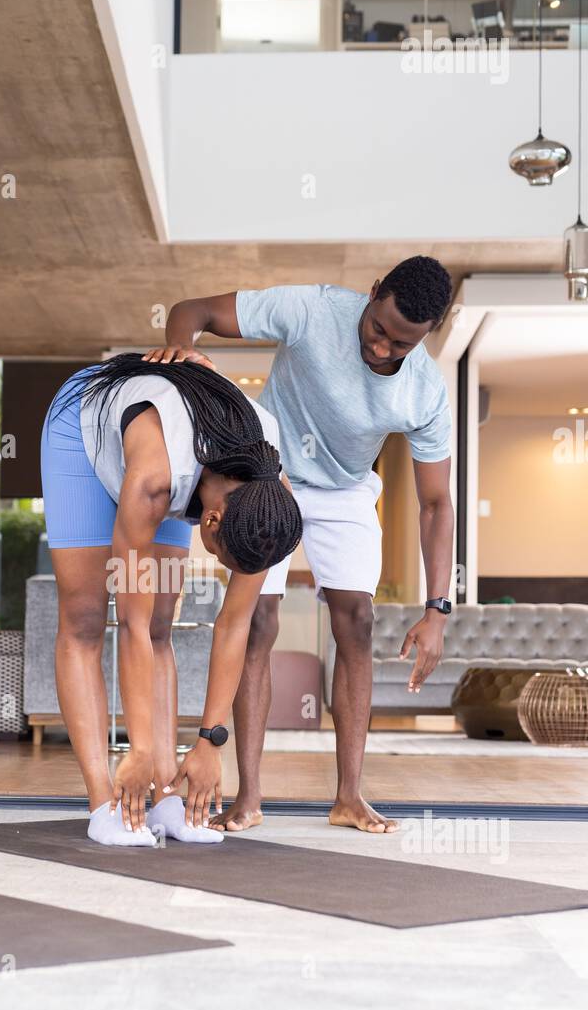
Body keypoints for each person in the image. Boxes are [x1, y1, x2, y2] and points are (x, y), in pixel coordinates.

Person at [145, 256, 456, 836]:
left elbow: (436, 503)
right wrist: (183, 351)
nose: (383, 350)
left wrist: (437, 608)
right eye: (378, 330)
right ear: (372, 294)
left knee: (357, 621)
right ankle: (249, 798)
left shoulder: (425, 392)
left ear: (426, 337)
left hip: (344, 491)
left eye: (402, 345)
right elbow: (195, 312)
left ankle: (349, 797)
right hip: (270, 474)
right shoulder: (313, 309)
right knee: (259, 621)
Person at [40, 351, 302, 847]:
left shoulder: (269, 504)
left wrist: (210, 740)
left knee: (163, 619)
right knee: (86, 616)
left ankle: (163, 800)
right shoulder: (155, 483)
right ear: (211, 521)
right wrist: (135, 748)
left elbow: (233, 626)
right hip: (83, 427)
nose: (231, 573)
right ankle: (104, 804)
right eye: (227, 560)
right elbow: (130, 625)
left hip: (175, 455)